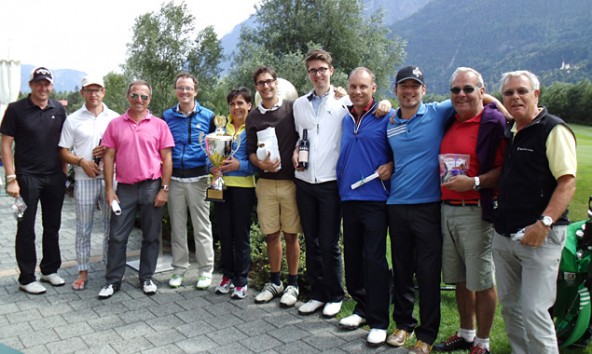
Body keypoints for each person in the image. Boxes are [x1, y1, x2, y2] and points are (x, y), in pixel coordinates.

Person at [386, 66, 507, 354]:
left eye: (415, 85)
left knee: (431, 274)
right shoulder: (390, 120)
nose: (409, 90)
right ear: (395, 91)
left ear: (424, 90)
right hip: (405, 205)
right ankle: (406, 325)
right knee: (407, 271)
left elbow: (476, 95)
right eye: (404, 86)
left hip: (434, 206)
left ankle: (430, 336)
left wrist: (505, 109)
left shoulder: (439, 111)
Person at [292, 49, 392, 317]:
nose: (317, 74)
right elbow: (299, 137)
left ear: (331, 71)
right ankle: (317, 293)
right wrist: (293, 151)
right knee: (311, 241)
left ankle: (336, 294)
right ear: (308, 73)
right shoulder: (299, 104)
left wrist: (385, 103)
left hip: (331, 182)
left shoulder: (345, 102)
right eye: (312, 70)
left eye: (322, 68)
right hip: (304, 180)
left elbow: (372, 106)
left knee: (328, 242)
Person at [493, 70, 576, 354]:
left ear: (536, 95)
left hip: (539, 235)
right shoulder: (512, 130)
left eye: (522, 91)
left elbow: (567, 182)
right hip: (505, 234)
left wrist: (545, 222)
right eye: (508, 93)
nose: (515, 97)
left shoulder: (554, 129)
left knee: (535, 312)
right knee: (511, 308)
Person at [434, 67, 505, 354]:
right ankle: (466, 333)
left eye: (468, 88)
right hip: (447, 210)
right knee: (461, 278)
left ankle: (483, 343)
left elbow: (503, 170)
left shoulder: (492, 122)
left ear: (481, 90)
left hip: (476, 211)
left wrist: (474, 182)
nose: (461, 94)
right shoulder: (451, 120)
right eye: (455, 89)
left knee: (482, 279)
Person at [98, 80, 174, 299]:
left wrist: (165, 189)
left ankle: (146, 277)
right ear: (127, 96)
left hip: (152, 186)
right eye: (135, 95)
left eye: (144, 97)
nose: (139, 100)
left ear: (150, 99)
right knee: (117, 236)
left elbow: (167, 159)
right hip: (125, 189)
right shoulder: (115, 124)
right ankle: (113, 281)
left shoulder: (159, 125)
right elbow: (109, 157)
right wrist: (109, 189)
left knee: (151, 236)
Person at [335, 67, 393, 346]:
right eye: (353, 86)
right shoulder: (345, 116)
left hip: (375, 199)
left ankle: (380, 320)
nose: (357, 91)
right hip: (348, 197)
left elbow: (398, 151)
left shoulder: (385, 116)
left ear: (373, 87)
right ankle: (362, 308)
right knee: (354, 259)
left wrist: (392, 166)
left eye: (363, 86)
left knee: (374, 259)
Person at [0, 66, 68, 294]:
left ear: (51, 85)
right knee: (25, 227)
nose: (42, 87)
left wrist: (64, 172)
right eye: (38, 83)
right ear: (30, 85)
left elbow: (63, 143)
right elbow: (6, 144)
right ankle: (27, 278)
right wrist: (11, 178)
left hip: (54, 178)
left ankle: (49, 270)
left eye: (46, 83)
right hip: (26, 179)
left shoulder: (58, 109)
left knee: (52, 226)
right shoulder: (16, 109)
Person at [246, 66, 301, 307]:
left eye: (269, 82)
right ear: (256, 87)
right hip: (266, 184)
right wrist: (259, 162)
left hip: (290, 182)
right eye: (261, 83)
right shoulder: (253, 117)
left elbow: (304, 136)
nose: (266, 86)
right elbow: (249, 151)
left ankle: (294, 283)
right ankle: (276, 281)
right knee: (271, 235)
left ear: (276, 83)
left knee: (291, 234)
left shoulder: (291, 108)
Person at [58, 75, 119, 291]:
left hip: (111, 180)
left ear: (104, 92)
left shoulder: (115, 118)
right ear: (83, 92)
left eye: (98, 89)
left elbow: (124, 147)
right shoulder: (73, 119)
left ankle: (107, 268)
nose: (94, 94)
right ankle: (83, 271)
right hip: (84, 180)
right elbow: (63, 151)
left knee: (112, 227)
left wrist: (110, 151)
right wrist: (81, 161)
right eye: (89, 90)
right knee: (84, 229)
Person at [162, 73, 215, 290]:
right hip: (174, 179)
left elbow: (216, 148)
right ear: (175, 90)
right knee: (177, 227)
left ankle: (206, 271)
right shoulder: (166, 116)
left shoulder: (209, 116)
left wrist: (216, 169)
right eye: (180, 88)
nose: (184, 92)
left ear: (196, 90)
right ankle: (179, 269)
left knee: (202, 228)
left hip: (200, 178)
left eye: (188, 88)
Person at [211, 88, 257, 299]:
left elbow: (259, 163)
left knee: (241, 234)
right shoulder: (221, 126)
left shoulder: (254, 127)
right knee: (225, 233)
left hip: (244, 187)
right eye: (232, 104)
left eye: (240, 103)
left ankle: (241, 279)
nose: (236, 107)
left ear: (249, 105)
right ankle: (227, 275)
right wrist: (211, 167)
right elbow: (210, 153)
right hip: (220, 186)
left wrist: (241, 164)